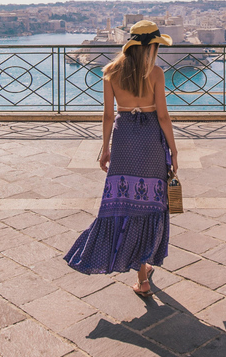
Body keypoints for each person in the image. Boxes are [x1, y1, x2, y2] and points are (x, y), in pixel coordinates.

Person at [64, 20, 178, 297]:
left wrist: (105, 148)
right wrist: (174, 150)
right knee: (149, 203)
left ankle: (142, 275)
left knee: (125, 203)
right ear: (150, 47)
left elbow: (106, 115)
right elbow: (162, 116)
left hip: (124, 138)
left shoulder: (110, 72)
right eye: (156, 46)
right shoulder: (156, 73)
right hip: (150, 139)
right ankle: (144, 269)